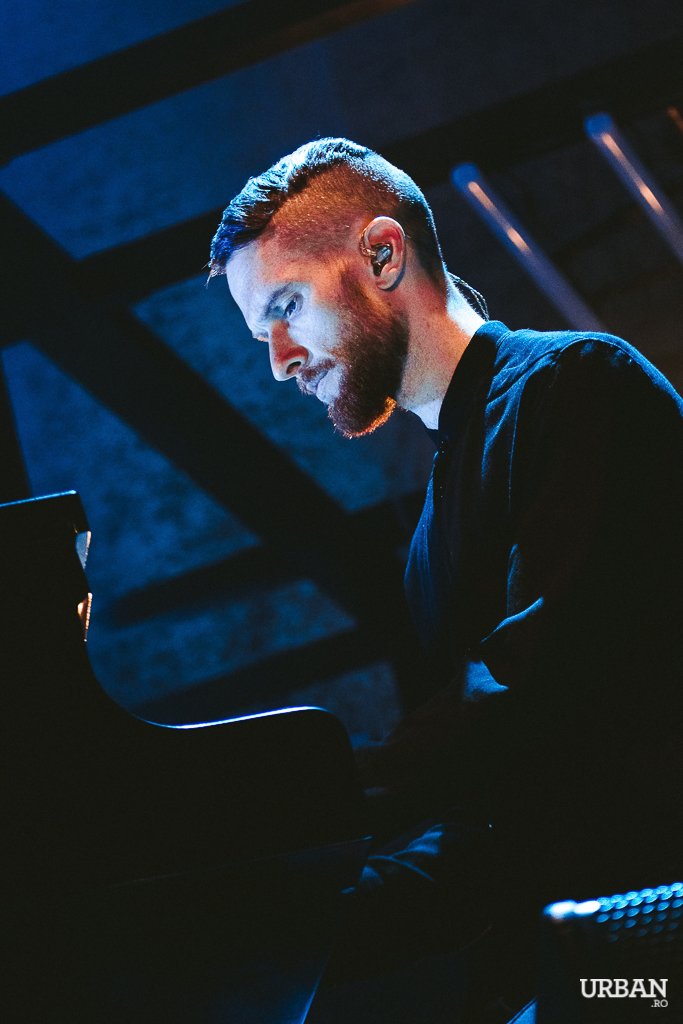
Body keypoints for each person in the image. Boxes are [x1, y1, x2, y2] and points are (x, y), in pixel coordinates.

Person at [209, 138, 683, 1011]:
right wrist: (286, 929)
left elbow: (533, 689)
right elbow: (497, 808)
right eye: (259, 332)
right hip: (593, 949)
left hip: (653, 938)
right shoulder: (435, 521)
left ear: (383, 254)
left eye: (286, 305)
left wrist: (315, 802)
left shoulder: (576, 384)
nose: (277, 360)